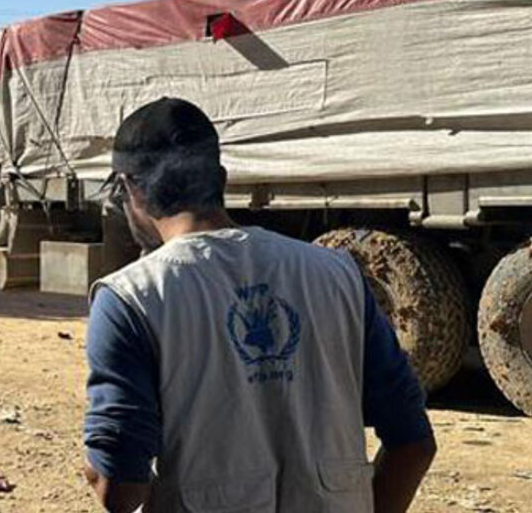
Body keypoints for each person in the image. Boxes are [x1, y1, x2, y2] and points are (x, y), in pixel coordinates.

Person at [82, 97, 437, 513]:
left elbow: (120, 487)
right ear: (220, 178)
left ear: (132, 189)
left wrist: (96, 466)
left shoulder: (132, 299)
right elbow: (413, 444)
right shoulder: (339, 276)